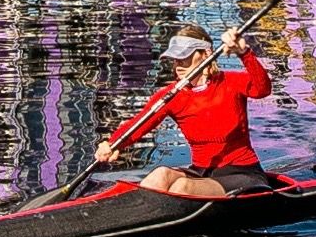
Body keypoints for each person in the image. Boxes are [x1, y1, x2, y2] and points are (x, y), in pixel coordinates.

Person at [95, 23, 274, 197]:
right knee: (160, 174)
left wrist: (244, 53)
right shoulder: (171, 95)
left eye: (185, 56)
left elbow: (262, 89)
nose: (178, 63)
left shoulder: (231, 82)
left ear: (205, 54)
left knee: (182, 186)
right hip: (201, 172)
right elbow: (140, 123)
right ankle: (134, 216)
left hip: (243, 174)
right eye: (175, 58)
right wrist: (113, 144)